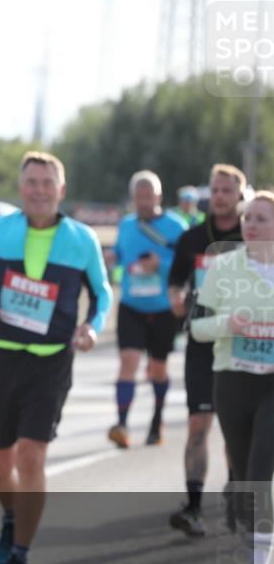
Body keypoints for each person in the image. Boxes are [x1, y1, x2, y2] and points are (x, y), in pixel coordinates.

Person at [0, 151, 112, 564]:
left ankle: (20, 557)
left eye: (48, 183)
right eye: (32, 182)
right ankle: (12, 513)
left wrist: (93, 328)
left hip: (50, 361)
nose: (39, 190)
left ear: (61, 191)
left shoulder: (82, 239)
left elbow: (102, 295)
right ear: (21, 188)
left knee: (31, 456)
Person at [191, 191, 274, 564]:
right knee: (243, 477)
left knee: (261, 471)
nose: (252, 224)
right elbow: (196, 328)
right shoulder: (223, 267)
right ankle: (247, 523)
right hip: (234, 381)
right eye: (249, 217)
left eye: (261, 218)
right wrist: (229, 322)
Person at [166, 164, 246, 536]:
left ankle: (235, 491)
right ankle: (194, 506)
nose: (218, 197)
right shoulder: (192, 237)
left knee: (235, 429)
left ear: (239, 195)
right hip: (202, 341)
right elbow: (176, 280)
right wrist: (177, 297)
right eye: (214, 190)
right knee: (198, 424)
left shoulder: (255, 235)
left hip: (244, 345)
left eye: (226, 190)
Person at [107, 171, 188, 449]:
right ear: (133, 198)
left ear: (158, 196)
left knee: (157, 368)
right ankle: (122, 424)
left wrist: (161, 265)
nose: (143, 201)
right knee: (128, 362)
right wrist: (111, 257)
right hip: (131, 306)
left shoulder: (175, 226)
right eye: (138, 196)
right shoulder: (127, 225)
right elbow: (120, 253)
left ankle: (156, 420)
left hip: (163, 308)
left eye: (148, 195)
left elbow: (185, 265)